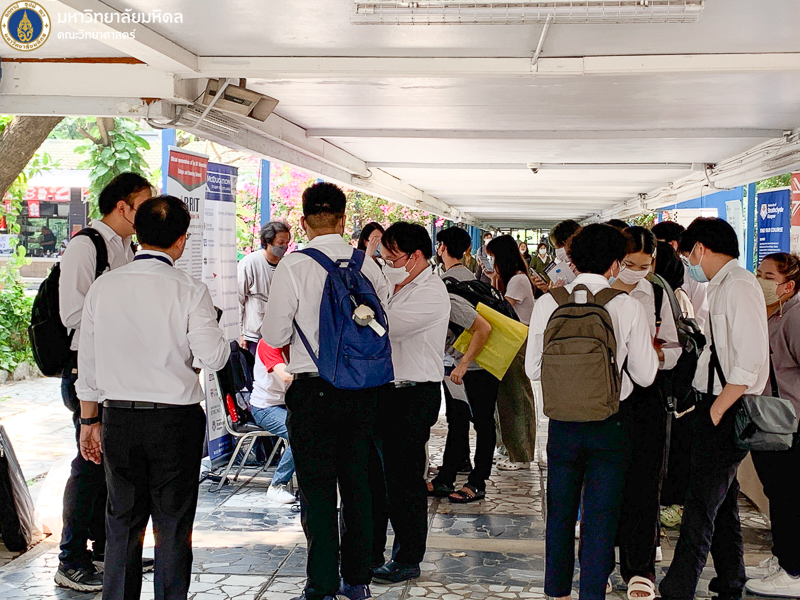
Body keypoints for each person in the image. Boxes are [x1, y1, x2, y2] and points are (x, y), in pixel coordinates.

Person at [76, 195, 231, 600]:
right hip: (174, 420)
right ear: (181, 240)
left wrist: (89, 422)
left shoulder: (103, 287)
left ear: (138, 233)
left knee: (121, 524)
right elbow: (214, 357)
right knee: (173, 525)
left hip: (119, 418)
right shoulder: (190, 289)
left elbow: (87, 364)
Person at [261, 182, 390, 600]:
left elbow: (274, 334)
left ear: (303, 221)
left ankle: (321, 585)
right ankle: (357, 581)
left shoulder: (293, 266)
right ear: (343, 218)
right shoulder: (368, 266)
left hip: (313, 392)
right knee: (358, 486)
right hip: (362, 391)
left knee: (316, 492)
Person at [526, 223, 659, 600]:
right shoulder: (627, 305)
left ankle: (557, 591)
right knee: (601, 517)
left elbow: (532, 369)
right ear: (615, 264)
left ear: (571, 259)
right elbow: (646, 376)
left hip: (562, 424)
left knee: (560, 513)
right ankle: (592, 593)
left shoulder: (548, 302)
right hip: (610, 424)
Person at [659, 218, 770, 600]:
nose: (689, 263)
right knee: (722, 507)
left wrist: (717, 411)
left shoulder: (739, 286)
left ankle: (679, 588)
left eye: (689, 255)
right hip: (713, 404)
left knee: (700, 505)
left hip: (726, 408)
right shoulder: (722, 285)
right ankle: (730, 580)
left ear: (701, 249)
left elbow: (750, 361)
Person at [56, 172, 153, 592]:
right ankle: (71, 557)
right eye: (143, 205)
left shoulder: (127, 247)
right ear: (122, 206)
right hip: (87, 369)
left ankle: (104, 550)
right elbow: (72, 315)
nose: (148, 213)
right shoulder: (87, 246)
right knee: (88, 462)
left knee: (108, 465)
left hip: (117, 368)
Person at [370, 222, 450, 584]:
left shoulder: (431, 291)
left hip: (413, 394)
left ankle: (407, 558)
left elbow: (384, 328)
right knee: (379, 479)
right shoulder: (392, 284)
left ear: (416, 256)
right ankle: (372, 552)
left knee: (404, 482)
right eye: (383, 259)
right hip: (385, 391)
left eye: (392, 258)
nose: (387, 265)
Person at [611, 227, 681, 600]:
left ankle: (640, 569)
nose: (636, 271)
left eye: (644, 265)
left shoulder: (656, 292)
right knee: (603, 483)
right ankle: (599, 561)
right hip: (603, 395)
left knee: (643, 483)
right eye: (629, 264)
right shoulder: (596, 290)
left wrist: (652, 354)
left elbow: (675, 348)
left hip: (646, 395)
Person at [745, 253, 800, 598]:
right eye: (759, 273)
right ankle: (783, 559)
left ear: (788, 285)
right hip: (769, 420)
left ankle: (793, 571)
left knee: (788, 497)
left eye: (768, 277)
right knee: (777, 493)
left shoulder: (795, 316)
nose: (760, 281)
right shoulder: (772, 312)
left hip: (790, 423)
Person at [428, 226, 496, 503]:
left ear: (442, 247)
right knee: (466, 421)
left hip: (465, 365)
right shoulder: (474, 280)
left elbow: (483, 327)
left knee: (473, 422)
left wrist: (464, 363)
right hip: (479, 364)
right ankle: (448, 477)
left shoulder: (447, 286)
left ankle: (476, 482)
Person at [486, 234, 537, 471]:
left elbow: (501, 309)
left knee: (516, 398)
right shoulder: (515, 279)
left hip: (516, 341)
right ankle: (510, 448)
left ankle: (521, 455)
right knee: (507, 397)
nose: (491, 263)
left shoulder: (517, 280)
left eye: (493, 258)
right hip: (512, 340)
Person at [654, 241, 696, 520]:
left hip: (669, 383)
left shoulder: (671, 295)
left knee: (669, 445)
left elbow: (676, 345)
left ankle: (672, 501)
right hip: (667, 381)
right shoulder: (665, 292)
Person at [249, 340, 297, 504]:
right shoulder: (268, 343)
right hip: (265, 407)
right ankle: (277, 485)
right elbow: (285, 375)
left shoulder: (294, 343)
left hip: (286, 404)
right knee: (299, 433)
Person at [238, 221, 291, 356]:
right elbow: (238, 299)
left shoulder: (286, 264)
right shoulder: (250, 263)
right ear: (268, 242)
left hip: (281, 334)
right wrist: (240, 333)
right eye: (280, 243)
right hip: (254, 334)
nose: (284, 247)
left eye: (287, 242)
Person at [652, 221, 709, 331]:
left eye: (657, 245)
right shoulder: (649, 269)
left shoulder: (693, 271)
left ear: (672, 244)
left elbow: (701, 315)